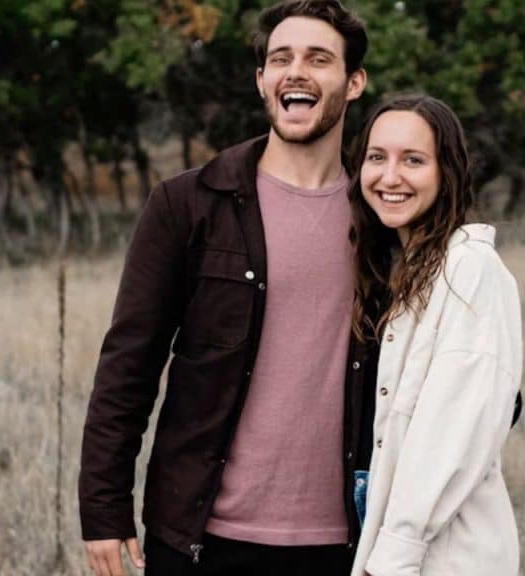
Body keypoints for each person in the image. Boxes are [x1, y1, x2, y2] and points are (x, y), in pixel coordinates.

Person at [78, 2, 376, 575]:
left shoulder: (383, 218)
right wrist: (103, 509)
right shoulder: (189, 204)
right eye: (280, 59)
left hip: (345, 541)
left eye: (319, 59)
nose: (296, 72)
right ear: (261, 79)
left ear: (354, 82)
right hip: (202, 537)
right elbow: (128, 365)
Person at [347, 95, 523, 576]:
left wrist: (397, 551)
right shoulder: (392, 270)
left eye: (413, 160)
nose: (389, 177)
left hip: (445, 553)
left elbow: (454, 430)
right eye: (377, 157)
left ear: (447, 172)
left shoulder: (470, 269)